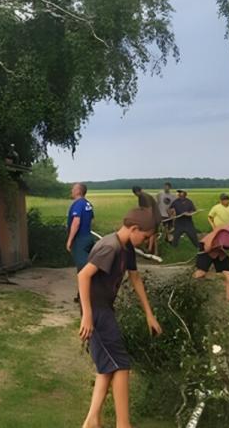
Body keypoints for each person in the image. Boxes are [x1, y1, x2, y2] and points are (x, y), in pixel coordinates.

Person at [79, 208, 162, 428]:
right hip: (96, 310)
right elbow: (83, 276)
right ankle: (124, 425)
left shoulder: (127, 248)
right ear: (134, 229)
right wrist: (87, 316)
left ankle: (92, 421)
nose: (145, 242)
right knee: (121, 364)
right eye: (144, 237)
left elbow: (135, 279)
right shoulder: (110, 246)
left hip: (104, 308)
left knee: (107, 367)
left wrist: (149, 315)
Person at [66, 182, 94, 299]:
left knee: (83, 269)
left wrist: (70, 240)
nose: (71, 190)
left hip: (80, 239)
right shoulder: (88, 204)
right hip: (88, 237)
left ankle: (85, 296)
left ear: (78, 191)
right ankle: (82, 293)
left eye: (73, 189)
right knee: (86, 265)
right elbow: (91, 220)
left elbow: (76, 222)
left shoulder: (78, 204)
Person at [132, 186, 161, 255]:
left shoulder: (144, 197)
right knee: (153, 233)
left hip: (153, 217)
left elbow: (149, 209)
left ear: (138, 191)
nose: (136, 195)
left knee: (151, 233)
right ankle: (152, 250)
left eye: (136, 193)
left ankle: (150, 249)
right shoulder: (142, 196)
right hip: (154, 217)